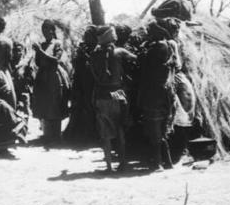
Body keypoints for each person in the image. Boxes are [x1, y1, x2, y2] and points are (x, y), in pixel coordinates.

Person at [89, 25, 136, 172]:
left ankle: (109, 166)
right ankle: (122, 163)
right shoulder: (120, 52)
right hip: (117, 93)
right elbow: (137, 59)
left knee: (105, 133)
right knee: (120, 128)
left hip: (102, 94)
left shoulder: (94, 54)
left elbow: (94, 75)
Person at [136, 19, 181, 171]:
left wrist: (141, 53)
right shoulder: (168, 45)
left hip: (154, 92)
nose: (148, 35)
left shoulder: (158, 47)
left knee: (154, 128)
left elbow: (143, 64)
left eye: (150, 33)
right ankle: (167, 161)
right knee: (162, 129)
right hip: (166, 91)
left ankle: (157, 163)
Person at [31, 19, 71, 144]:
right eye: (43, 29)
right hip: (43, 77)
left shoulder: (57, 43)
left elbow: (55, 60)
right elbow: (38, 62)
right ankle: (47, 134)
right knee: (45, 104)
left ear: (52, 30)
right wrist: (38, 52)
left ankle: (56, 135)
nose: (45, 32)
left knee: (55, 103)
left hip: (54, 76)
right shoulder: (42, 44)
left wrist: (40, 52)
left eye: (47, 29)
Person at [63, 25, 99, 143]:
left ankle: (93, 134)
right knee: (79, 106)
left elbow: (95, 65)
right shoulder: (82, 47)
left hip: (92, 82)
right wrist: (79, 55)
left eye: (89, 36)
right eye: (85, 36)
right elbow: (75, 64)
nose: (86, 38)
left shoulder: (97, 49)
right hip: (80, 80)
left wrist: (86, 56)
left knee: (91, 107)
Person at [11, 42, 34, 118]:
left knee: (25, 112)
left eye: (19, 50)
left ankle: (24, 128)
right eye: (15, 50)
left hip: (23, 92)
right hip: (12, 93)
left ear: (23, 51)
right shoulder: (9, 63)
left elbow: (31, 78)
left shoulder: (25, 64)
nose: (18, 53)